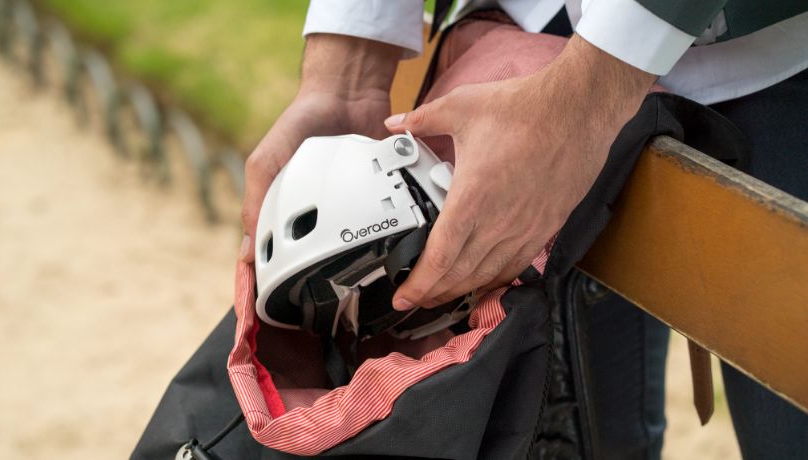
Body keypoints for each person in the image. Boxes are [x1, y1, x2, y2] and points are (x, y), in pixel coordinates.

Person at [238, 1, 808, 458]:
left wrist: (588, 92)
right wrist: (348, 72)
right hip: (518, 47)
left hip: (767, 59)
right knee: (573, 432)